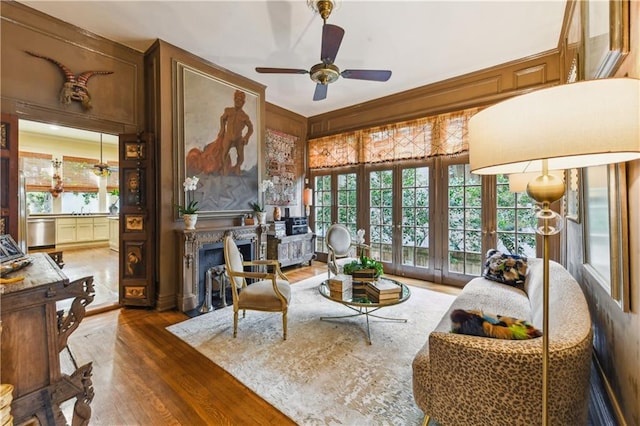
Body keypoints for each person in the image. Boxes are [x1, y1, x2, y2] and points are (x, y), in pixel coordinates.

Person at [218, 90, 253, 176]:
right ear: (234, 100)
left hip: (238, 138)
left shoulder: (244, 116)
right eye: (236, 99)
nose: (238, 102)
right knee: (224, 152)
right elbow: (222, 119)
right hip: (228, 136)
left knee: (241, 156)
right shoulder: (228, 110)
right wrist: (222, 129)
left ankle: (237, 167)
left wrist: (246, 137)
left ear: (243, 102)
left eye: (240, 100)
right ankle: (225, 168)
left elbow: (251, 128)